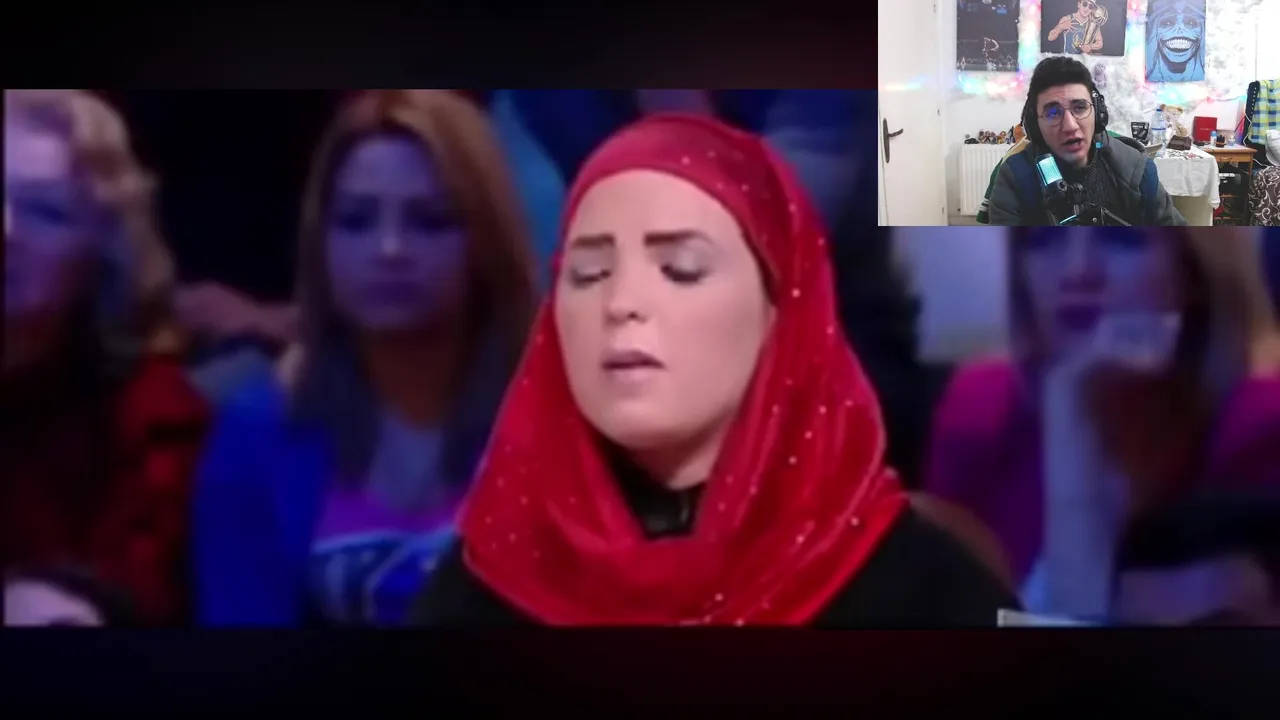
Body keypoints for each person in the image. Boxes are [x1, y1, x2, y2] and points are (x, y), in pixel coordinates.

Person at [411, 114, 1020, 626]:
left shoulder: (922, 590)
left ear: (782, 308)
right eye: (588, 273)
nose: (620, 303)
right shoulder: (485, 584)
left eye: (680, 269)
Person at [193, 90, 538, 627]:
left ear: (485, 240)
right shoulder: (257, 430)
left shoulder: (569, 425)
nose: (389, 249)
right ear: (321, 242)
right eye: (356, 221)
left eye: (429, 220)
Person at [925, 228, 1280, 624]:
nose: (1077, 271)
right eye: (1044, 239)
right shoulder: (982, 410)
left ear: (1194, 273)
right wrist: (1069, 400)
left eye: (1121, 238)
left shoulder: (1259, 426)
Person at [2, 90, 210, 625]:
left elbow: (138, 596)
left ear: (102, 251)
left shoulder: (150, 410)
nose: (5, 234)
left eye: (45, 213)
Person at [986, 57, 1185, 227]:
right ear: (1035, 124)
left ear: (1097, 113)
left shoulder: (1135, 169)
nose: (1070, 125)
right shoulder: (1015, 177)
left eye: (1080, 107)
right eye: (1053, 113)